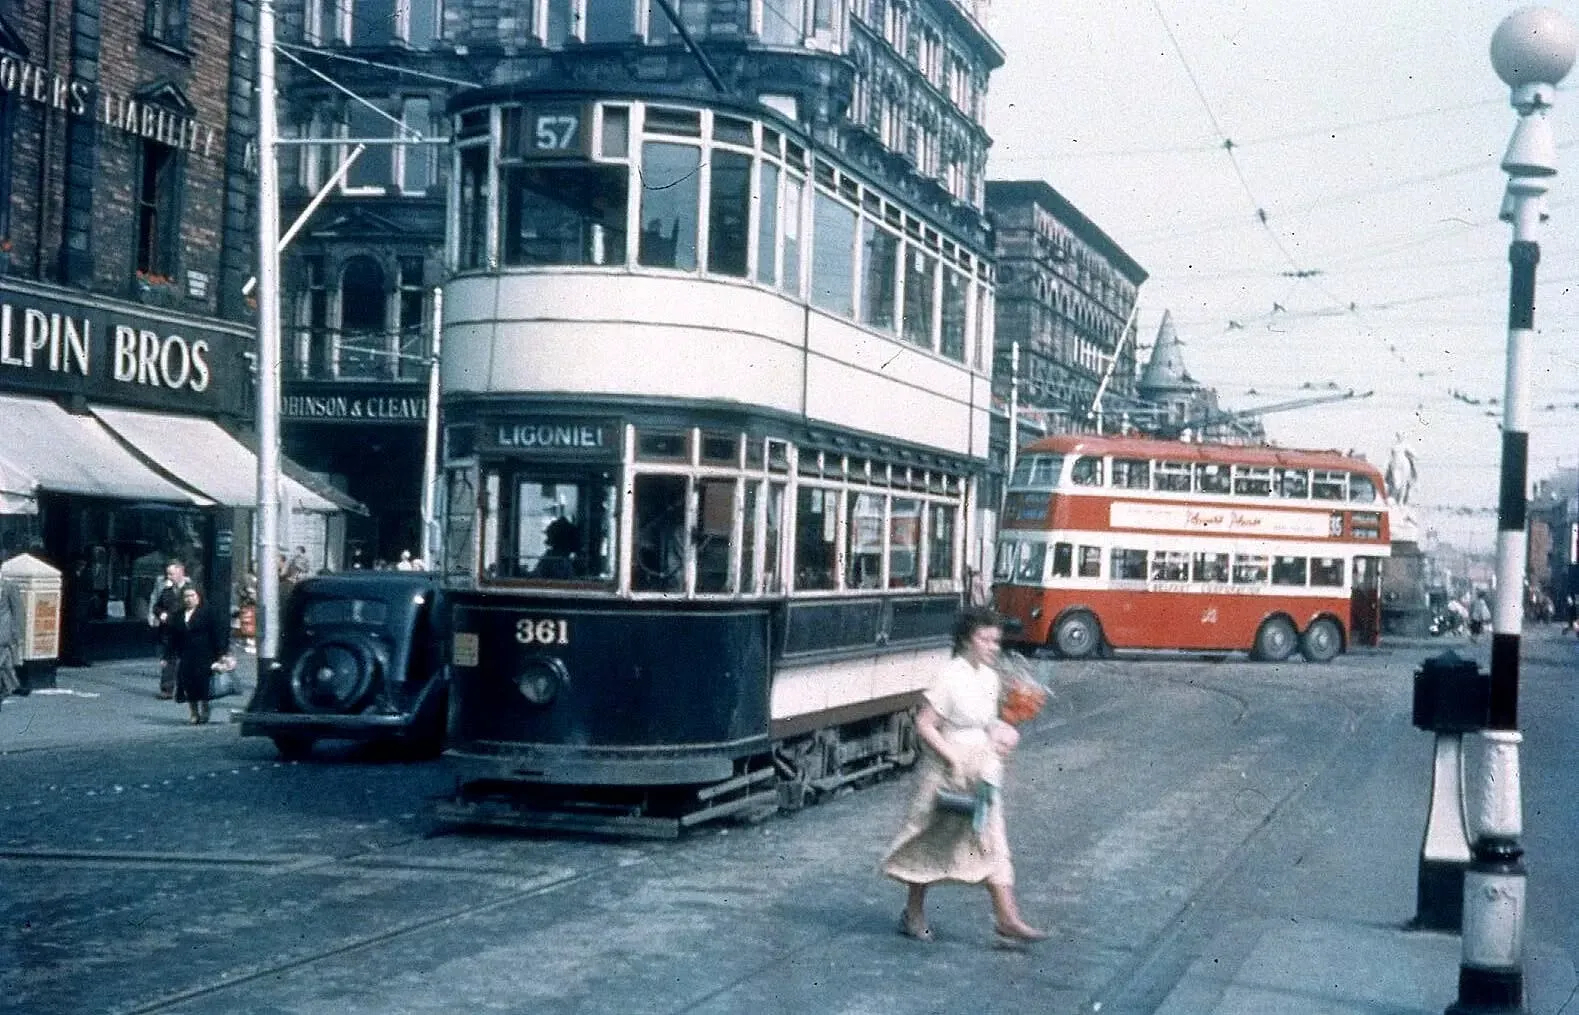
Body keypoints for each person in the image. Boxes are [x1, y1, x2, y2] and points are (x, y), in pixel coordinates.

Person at [880, 606, 1047, 947]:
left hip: (982, 769)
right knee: (930, 840)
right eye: (985, 639)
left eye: (996, 640)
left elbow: (984, 722)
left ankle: (1007, 918)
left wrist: (1004, 731)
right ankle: (913, 913)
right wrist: (951, 756)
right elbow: (925, 724)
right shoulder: (949, 676)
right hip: (946, 771)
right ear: (967, 640)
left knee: (992, 837)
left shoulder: (990, 677)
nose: (992, 647)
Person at [167, 585, 230, 725]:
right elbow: (173, 637)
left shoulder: (208, 613)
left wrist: (221, 654)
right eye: (186, 596)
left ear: (198, 597)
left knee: (203, 685)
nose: (189, 599)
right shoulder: (178, 615)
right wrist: (168, 655)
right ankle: (194, 712)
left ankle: (205, 710)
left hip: (205, 654)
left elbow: (217, 634)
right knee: (188, 685)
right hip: (186, 655)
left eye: (192, 596)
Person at [146, 559, 192, 700]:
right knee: (168, 659)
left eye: (172, 574)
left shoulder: (190, 590)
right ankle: (167, 688)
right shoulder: (167, 591)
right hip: (169, 631)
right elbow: (157, 606)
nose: (169, 577)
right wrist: (160, 613)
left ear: (181, 572)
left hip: (186, 630)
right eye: (168, 574)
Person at [0, 575, 23, 705]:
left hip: (3, 633)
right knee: (6, 664)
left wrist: (17, 633)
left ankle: (11, 687)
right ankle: (12, 686)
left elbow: (18, 612)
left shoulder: (10, 587)